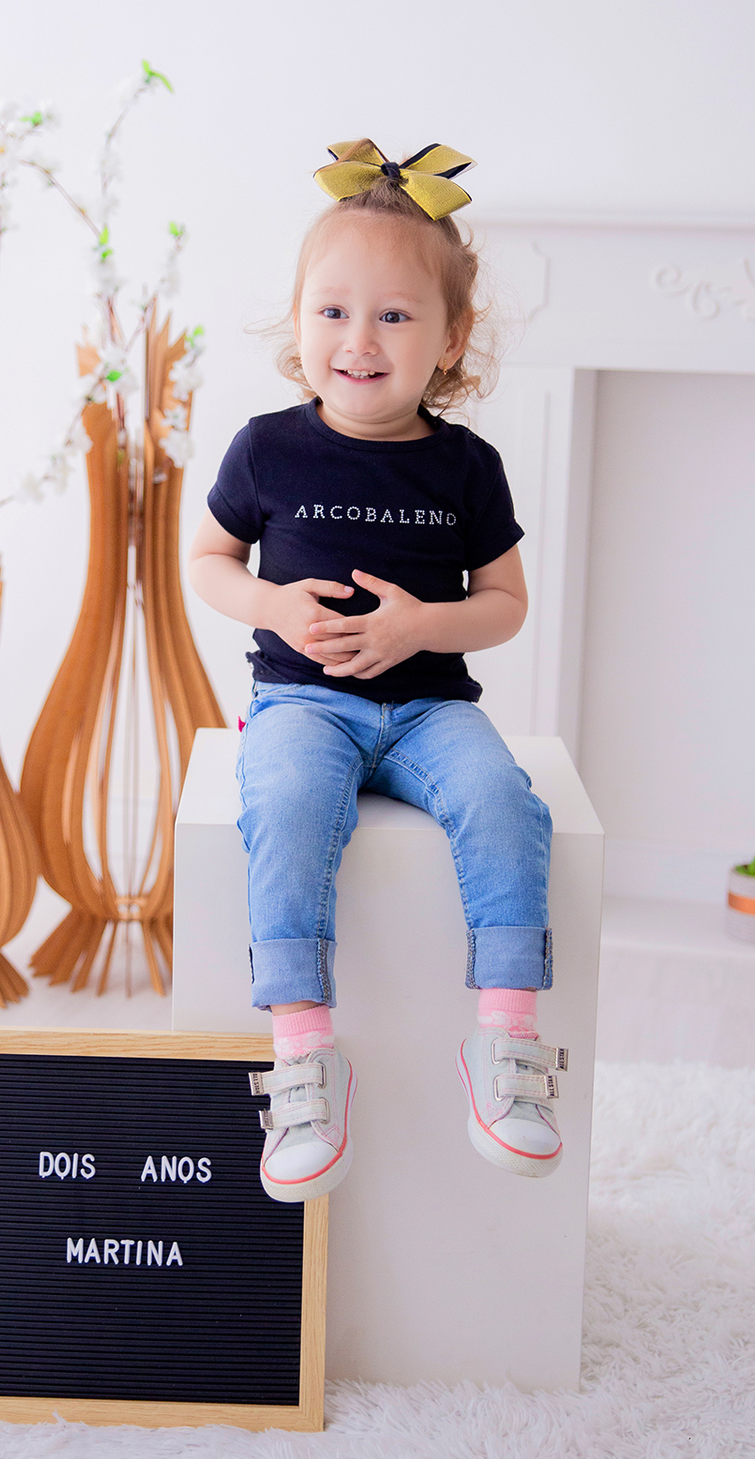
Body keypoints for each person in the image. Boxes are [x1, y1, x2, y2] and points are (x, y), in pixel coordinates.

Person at [188, 138, 566, 1204]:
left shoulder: (465, 465)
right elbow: (208, 562)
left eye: (396, 316)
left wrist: (421, 626)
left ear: (452, 340)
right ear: (298, 319)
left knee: (502, 798)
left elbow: (505, 603)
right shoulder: (266, 449)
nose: (360, 339)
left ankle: (506, 1044)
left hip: (428, 706)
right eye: (334, 310)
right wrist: (269, 603)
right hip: (304, 703)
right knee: (290, 803)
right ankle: (305, 1051)